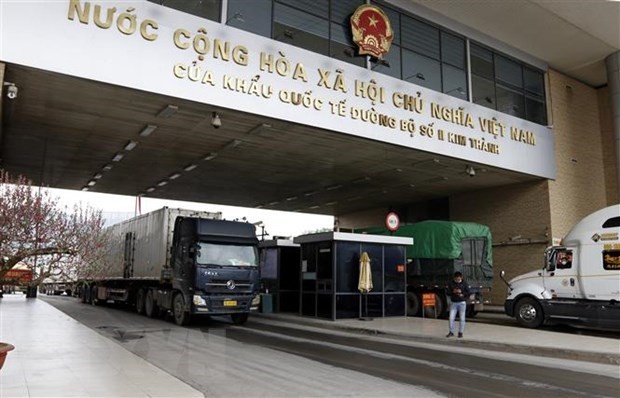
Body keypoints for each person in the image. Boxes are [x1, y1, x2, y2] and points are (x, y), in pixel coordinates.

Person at [446, 271, 470, 338]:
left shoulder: (464, 283)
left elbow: (468, 292)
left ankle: (460, 332)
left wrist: (462, 293)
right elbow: (447, 292)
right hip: (454, 302)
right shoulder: (451, 283)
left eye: (458, 279)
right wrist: (453, 291)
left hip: (462, 303)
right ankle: (451, 332)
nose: (457, 281)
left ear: (461, 278)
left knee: (462, 318)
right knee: (451, 318)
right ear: (454, 278)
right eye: (456, 279)